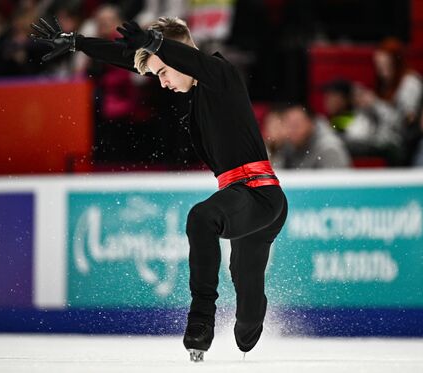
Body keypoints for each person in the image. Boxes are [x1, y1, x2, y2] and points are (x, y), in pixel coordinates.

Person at [30, 16, 288, 361]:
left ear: (177, 54)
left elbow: (184, 59)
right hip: (242, 201)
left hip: (260, 194)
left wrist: (156, 45)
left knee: (201, 218)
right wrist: (79, 43)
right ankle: (251, 315)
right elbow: (133, 59)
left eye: (163, 72)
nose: (162, 83)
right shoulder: (195, 86)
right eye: (157, 75)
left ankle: (200, 321)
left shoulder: (221, 74)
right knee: (247, 304)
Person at [263, 103, 351, 169]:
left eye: (296, 125)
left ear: (311, 123)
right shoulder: (286, 144)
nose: (292, 131)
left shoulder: (329, 148)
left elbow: (337, 187)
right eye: (288, 125)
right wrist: (274, 148)